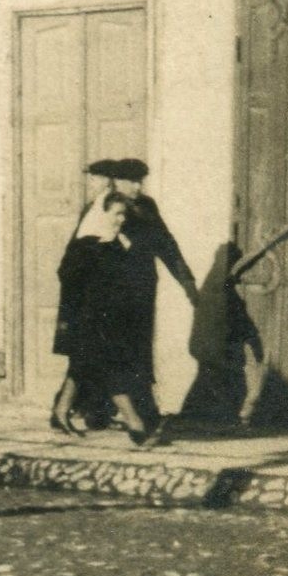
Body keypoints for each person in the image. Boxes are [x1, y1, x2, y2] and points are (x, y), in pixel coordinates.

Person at [52, 192, 159, 446]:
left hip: (113, 318)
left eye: (124, 214)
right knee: (112, 369)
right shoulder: (87, 242)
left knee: (81, 366)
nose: (121, 219)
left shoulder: (119, 241)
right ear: (103, 212)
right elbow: (67, 276)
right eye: (116, 213)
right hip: (89, 317)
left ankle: (60, 411)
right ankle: (136, 425)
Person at [111, 158, 198, 431]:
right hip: (113, 290)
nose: (136, 187)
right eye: (131, 181)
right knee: (117, 350)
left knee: (140, 348)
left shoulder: (147, 207)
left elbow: (166, 243)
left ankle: (143, 410)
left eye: (140, 181)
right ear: (117, 181)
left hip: (143, 286)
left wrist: (187, 281)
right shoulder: (106, 207)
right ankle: (126, 411)